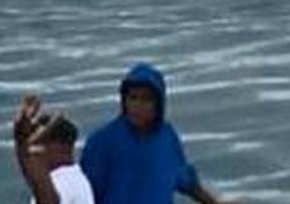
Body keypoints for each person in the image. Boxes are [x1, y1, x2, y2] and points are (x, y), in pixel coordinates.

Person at [79, 63, 234, 204]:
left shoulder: (166, 138)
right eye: (132, 98)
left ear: (158, 104)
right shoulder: (102, 142)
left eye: (146, 99)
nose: (137, 106)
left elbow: (188, 183)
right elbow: (83, 194)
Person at [13, 97, 94, 204]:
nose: (33, 151)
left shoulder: (62, 182)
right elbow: (34, 178)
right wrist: (21, 147)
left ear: (57, 146)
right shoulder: (72, 176)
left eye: (38, 143)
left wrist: (23, 149)